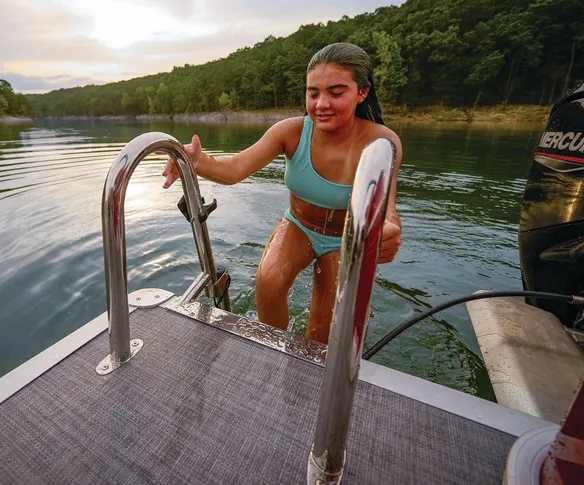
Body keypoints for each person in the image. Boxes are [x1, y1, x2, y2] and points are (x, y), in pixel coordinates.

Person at [161, 42, 403, 344]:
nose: (321, 104)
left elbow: (388, 211)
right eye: (313, 93)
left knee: (320, 334)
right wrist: (196, 161)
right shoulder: (290, 131)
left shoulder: (382, 143)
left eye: (336, 93)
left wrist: (388, 232)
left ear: (362, 93)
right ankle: (271, 349)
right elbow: (235, 168)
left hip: (345, 239)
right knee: (269, 279)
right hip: (299, 225)